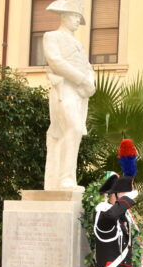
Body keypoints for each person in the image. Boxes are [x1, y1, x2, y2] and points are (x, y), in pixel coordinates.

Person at [42, 0, 96, 190]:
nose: (76, 21)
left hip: (79, 93)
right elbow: (55, 61)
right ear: (64, 17)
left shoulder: (78, 44)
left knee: (75, 132)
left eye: (78, 18)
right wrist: (81, 79)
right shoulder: (52, 36)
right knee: (71, 127)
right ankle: (64, 179)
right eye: (74, 16)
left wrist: (90, 82)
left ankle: (68, 179)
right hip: (63, 88)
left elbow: (88, 67)